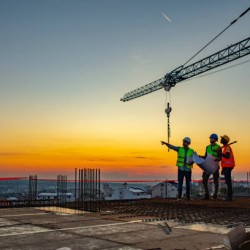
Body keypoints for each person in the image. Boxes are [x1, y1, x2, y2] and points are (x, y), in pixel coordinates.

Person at [201, 133, 222, 200]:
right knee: (204, 179)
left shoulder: (218, 147)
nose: (210, 139)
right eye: (210, 138)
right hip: (208, 166)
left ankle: (215, 195)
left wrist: (217, 159)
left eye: (211, 138)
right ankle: (207, 194)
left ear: (215, 140)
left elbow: (220, 157)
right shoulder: (207, 147)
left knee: (215, 181)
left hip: (215, 166)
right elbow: (206, 156)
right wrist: (200, 157)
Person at [220, 135, 235, 201]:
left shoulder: (227, 147)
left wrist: (220, 154)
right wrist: (223, 169)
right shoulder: (225, 148)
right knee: (227, 181)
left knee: (228, 181)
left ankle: (229, 196)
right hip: (226, 167)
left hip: (228, 166)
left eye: (222, 139)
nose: (221, 140)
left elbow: (227, 156)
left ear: (225, 140)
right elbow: (224, 159)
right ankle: (229, 196)